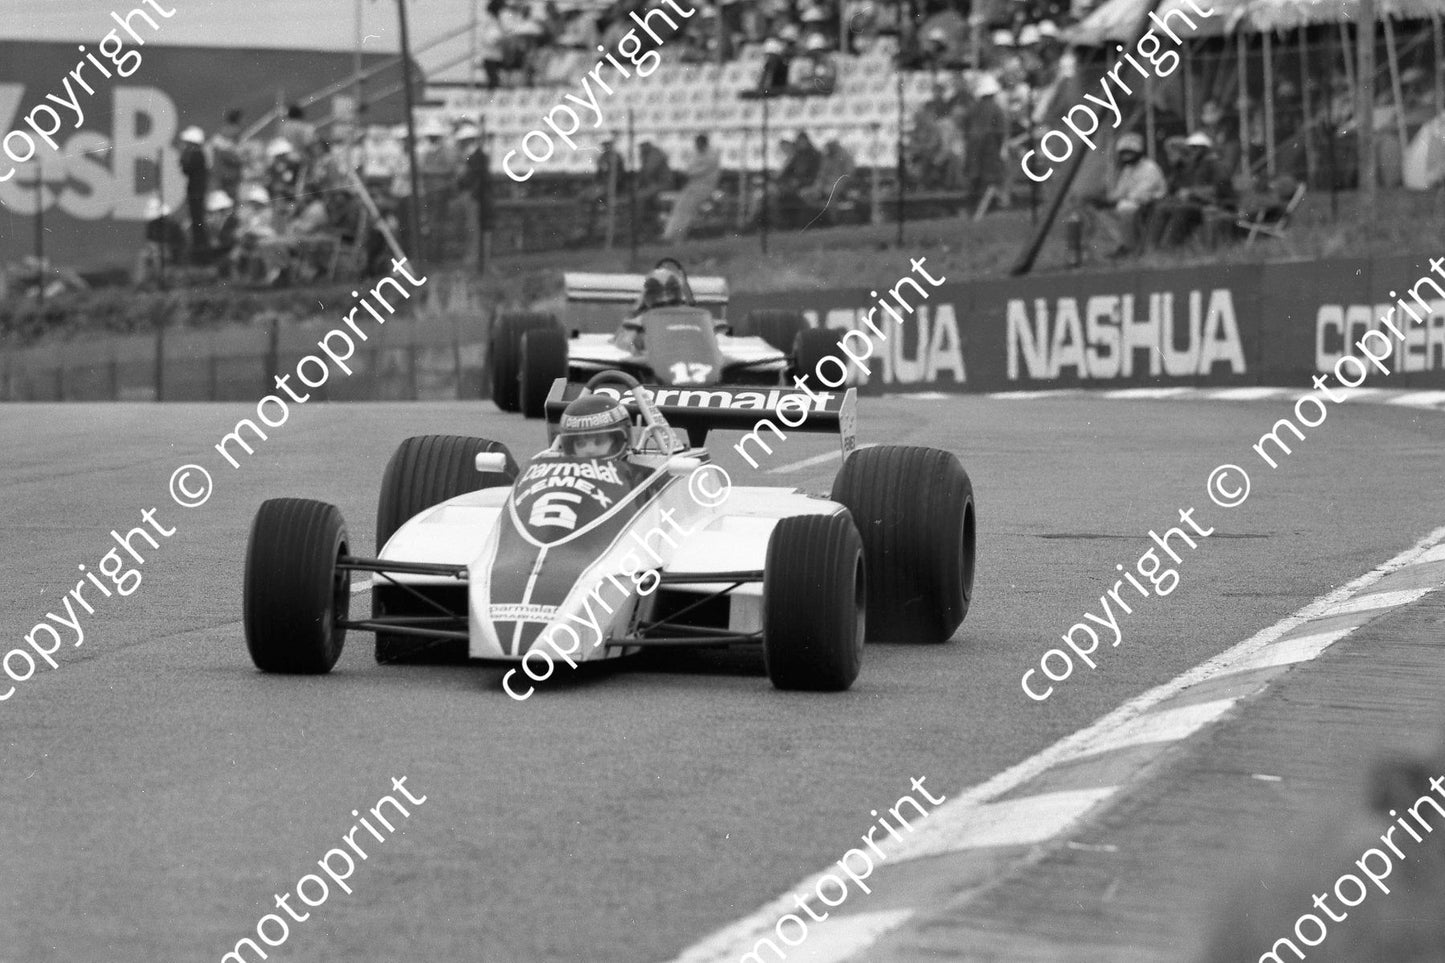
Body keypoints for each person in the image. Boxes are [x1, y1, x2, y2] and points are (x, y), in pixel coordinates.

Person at [1083, 132, 1167, 257]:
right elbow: (1120, 191)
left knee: (1125, 208)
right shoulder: (1128, 170)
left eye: (1130, 153)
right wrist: (1104, 200)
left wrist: (1114, 201)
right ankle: (1119, 245)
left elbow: (1140, 195)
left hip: (1150, 204)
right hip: (1132, 203)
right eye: (1124, 153)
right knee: (1102, 211)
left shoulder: (1149, 168)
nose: (1126, 157)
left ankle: (1131, 247)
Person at [1146, 131, 1235, 248]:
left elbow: (1221, 189)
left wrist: (1192, 192)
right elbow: (1178, 187)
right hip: (1193, 203)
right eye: (1191, 148)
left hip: (1213, 205)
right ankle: (1151, 247)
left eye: (1195, 148)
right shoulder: (1193, 166)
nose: (1192, 151)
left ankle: (1169, 246)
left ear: (1204, 149)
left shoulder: (1216, 164)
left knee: (1181, 210)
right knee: (1161, 208)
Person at [663, 134, 722, 242]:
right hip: (692, 186)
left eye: (700, 144)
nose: (697, 146)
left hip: (704, 187)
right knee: (679, 207)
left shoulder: (712, 155)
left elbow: (696, 172)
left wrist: (685, 173)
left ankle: (677, 237)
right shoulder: (697, 153)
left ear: (705, 143)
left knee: (687, 211)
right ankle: (669, 236)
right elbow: (689, 169)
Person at [965, 73, 1009, 206]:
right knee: (993, 176)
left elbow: (966, 125)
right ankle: (993, 203)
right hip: (990, 146)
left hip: (974, 145)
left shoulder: (974, 108)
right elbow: (1001, 130)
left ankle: (975, 203)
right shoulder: (996, 108)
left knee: (975, 175)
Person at [455, 124, 491, 273]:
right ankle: (472, 255)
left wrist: (472, 193)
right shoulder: (469, 155)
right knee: (469, 226)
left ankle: (474, 257)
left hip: (472, 195)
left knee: (473, 227)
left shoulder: (476, 155)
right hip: (468, 193)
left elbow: (475, 177)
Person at [555, 394, 632, 460]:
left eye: (599, 442)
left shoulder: (638, 468)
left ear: (617, 442)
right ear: (570, 447)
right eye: (581, 444)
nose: (590, 450)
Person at [178, 125, 210, 261]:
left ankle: (201, 251)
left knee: (198, 221)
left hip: (197, 192)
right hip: (196, 191)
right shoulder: (197, 153)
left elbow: (185, 167)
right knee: (196, 220)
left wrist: (184, 155)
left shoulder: (196, 154)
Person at [208, 110, 244, 203]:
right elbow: (236, 159)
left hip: (226, 177)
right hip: (226, 178)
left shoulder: (220, 138)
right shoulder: (226, 141)